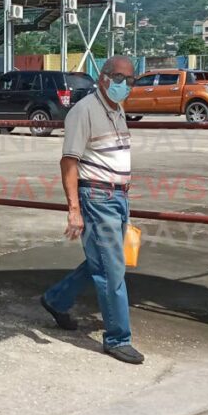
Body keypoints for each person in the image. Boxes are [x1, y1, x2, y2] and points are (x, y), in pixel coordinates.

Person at [40, 56, 144, 364]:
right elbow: (68, 162)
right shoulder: (83, 111)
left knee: (102, 260)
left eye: (130, 79)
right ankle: (117, 338)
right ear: (104, 78)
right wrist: (74, 209)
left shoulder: (117, 109)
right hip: (97, 199)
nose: (124, 84)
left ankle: (56, 299)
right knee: (112, 270)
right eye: (119, 77)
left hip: (118, 197)